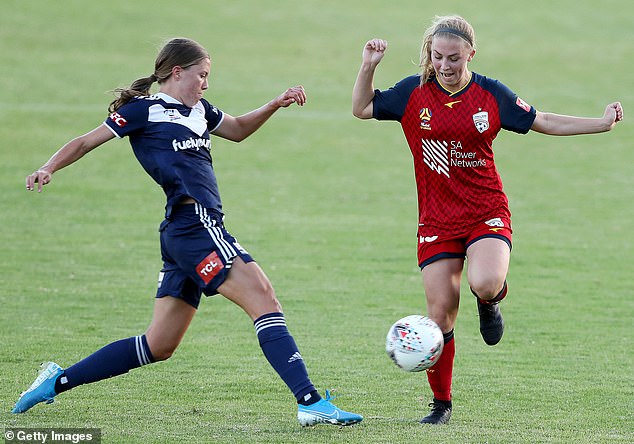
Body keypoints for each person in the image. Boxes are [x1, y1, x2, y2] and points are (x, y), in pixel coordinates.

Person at [14, 37, 362, 427]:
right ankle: (310, 400)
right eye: (202, 75)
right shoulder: (143, 111)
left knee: (158, 345)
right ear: (177, 72)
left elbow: (237, 129)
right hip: (195, 224)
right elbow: (84, 142)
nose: (206, 84)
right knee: (264, 297)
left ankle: (55, 382)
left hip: (184, 232)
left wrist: (273, 104)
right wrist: (49, 166)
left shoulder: (200, 111)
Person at [352, 15, 623, 425]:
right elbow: (361, 108)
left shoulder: (490, 95)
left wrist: (599, 124)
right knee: (440, 314)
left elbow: (541, 120)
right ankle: (441, 405)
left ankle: (491, 302)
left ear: (471, 55)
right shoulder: (413, 93)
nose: (445, 66)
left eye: (454, 59)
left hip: (485, 211)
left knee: (485, 282)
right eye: (438, 57)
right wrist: (369, 64)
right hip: (437, 220)